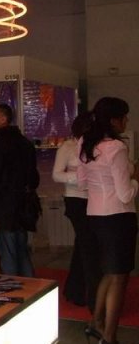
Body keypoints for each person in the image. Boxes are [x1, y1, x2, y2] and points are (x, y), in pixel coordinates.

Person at [77, 97, 137, 344]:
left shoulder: (86, 143)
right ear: (114, 120)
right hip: (118, 217)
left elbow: (81, 183)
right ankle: (109, 337)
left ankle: (95, 323)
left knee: (108, 274)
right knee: (119, 277)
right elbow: (125, 194)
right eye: (124, 117)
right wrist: (136, 179)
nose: (126, 121)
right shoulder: (116, 148)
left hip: (95, 215)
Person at [0, 103, 39, 277]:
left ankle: (13, 287)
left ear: (3, 119)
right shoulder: (25, 143)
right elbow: (33, 177)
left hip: (4, 207)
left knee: (7, 251)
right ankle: (30, 286)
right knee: (21, 249)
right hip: (22, 205)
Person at [52, 112, 100, 311]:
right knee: (87, 244)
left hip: (95, 199)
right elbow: (56, 175)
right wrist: (79, 178)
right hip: (75, 200)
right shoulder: (67, 147)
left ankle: (76, 290)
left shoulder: (97, 145)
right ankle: (85, 293)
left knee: (84, 245)